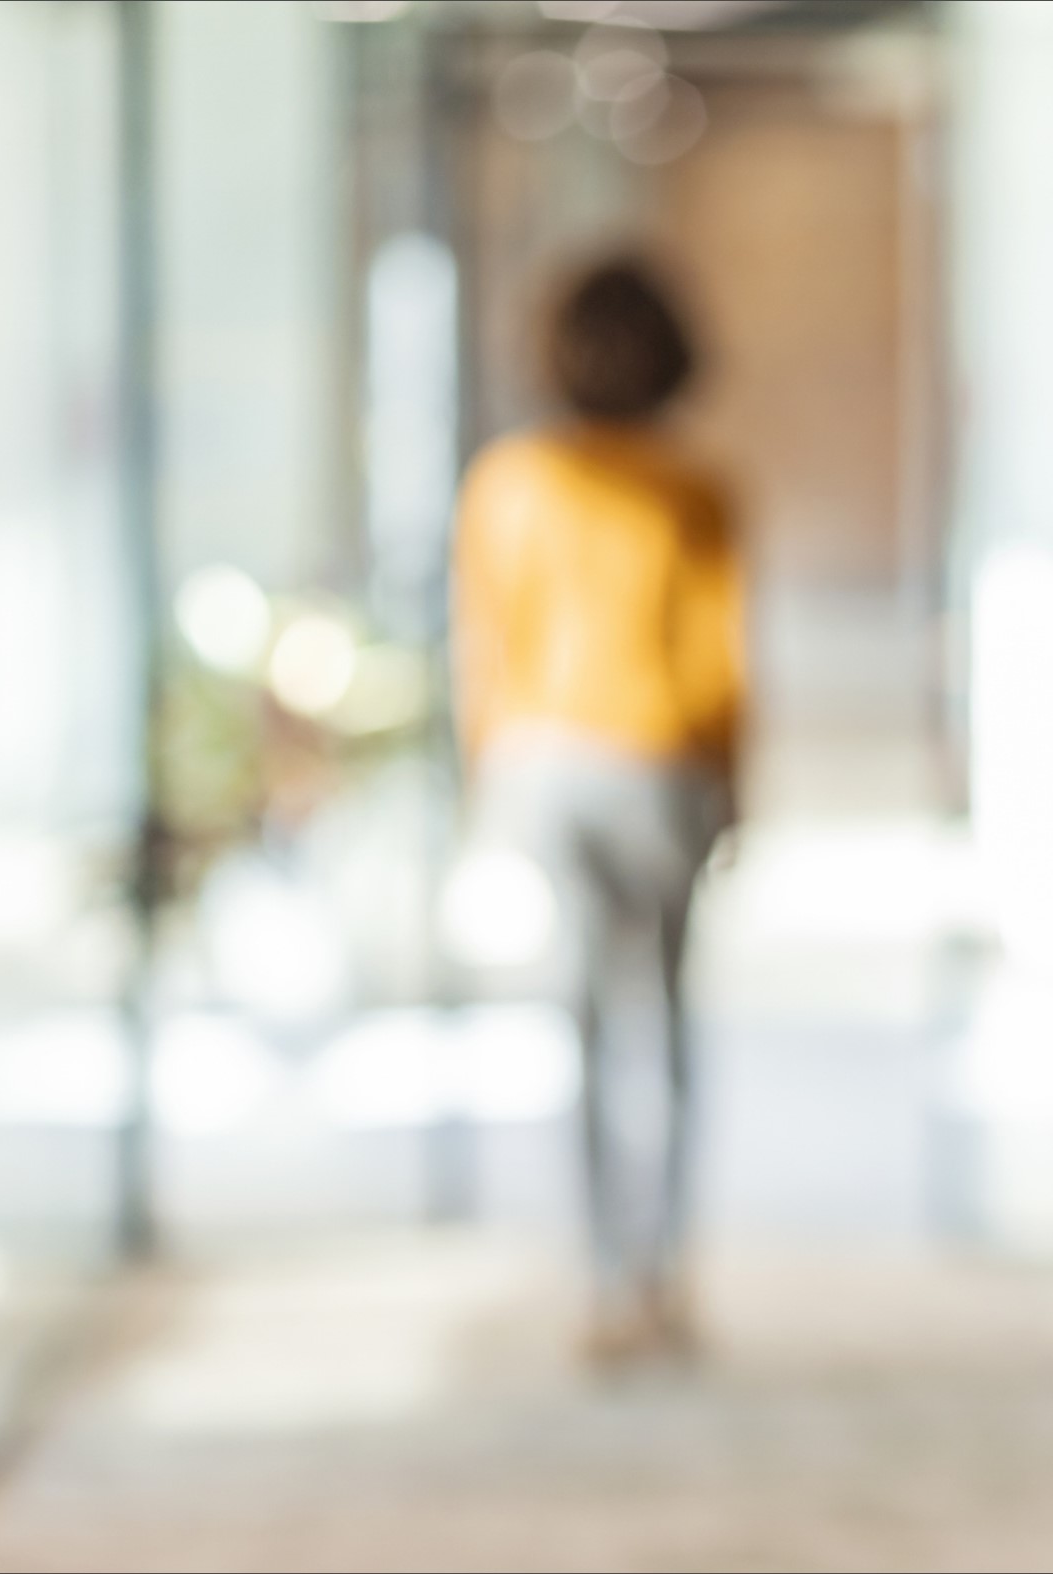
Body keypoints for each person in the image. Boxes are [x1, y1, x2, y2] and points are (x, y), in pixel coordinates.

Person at [452, 258, 742, 1358]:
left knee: (576, 1018)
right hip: (660, 761)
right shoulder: (693, 484)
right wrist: (733, 790)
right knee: (657, 1020)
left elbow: (487, 645)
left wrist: (485, 782)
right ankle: (658, 1278)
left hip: (544, 763)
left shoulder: (507, 479)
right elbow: (718, 659)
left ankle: (598, 1282)